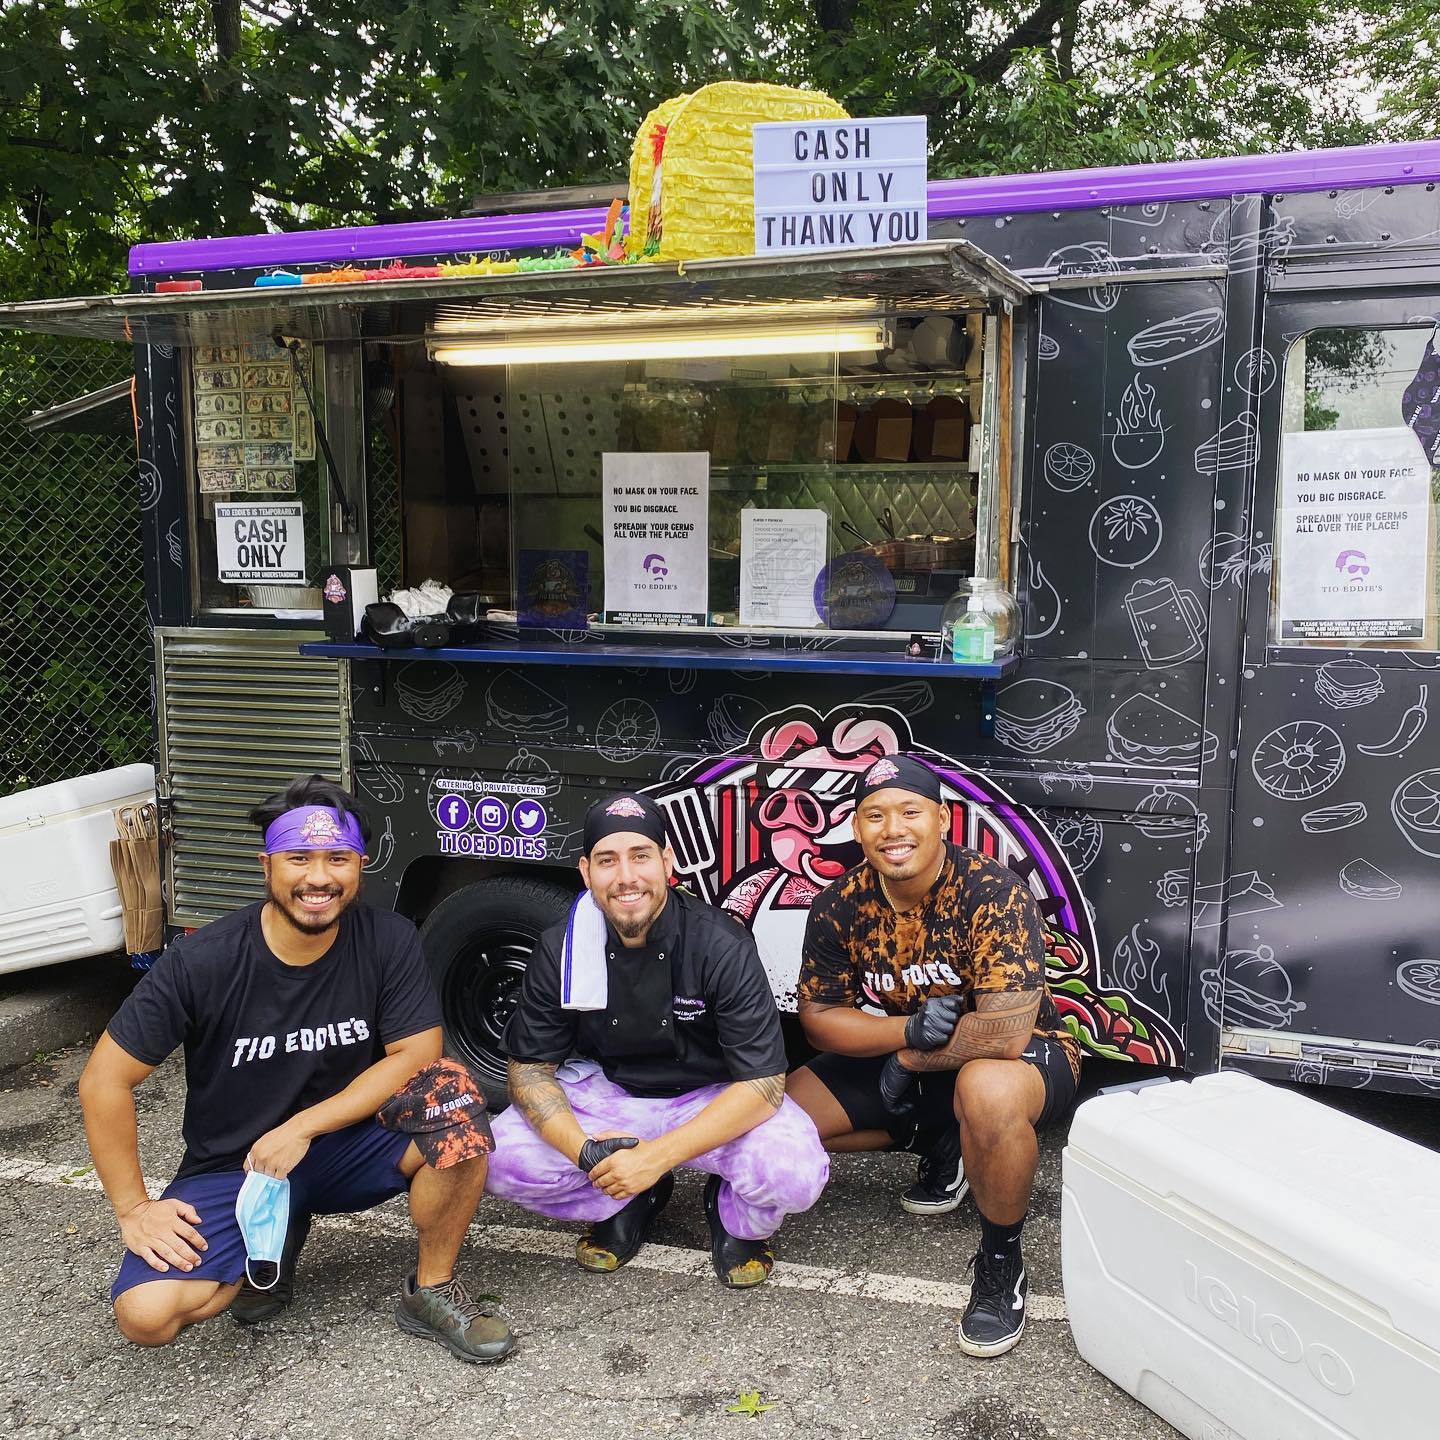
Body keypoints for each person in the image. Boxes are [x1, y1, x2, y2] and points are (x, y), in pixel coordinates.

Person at [78, 774, 514, 1363]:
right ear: (267, 866)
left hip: (348, 1148)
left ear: (359, 865)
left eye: (337, 857)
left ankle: (432, 1289)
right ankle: (267, 1248)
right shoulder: (201, 961)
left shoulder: (388, 940)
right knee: (146, 1316)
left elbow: (416, 1055)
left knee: (454, 1099)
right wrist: (134, 1208)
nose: (318, 877)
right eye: (298, 857)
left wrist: (303, 1127)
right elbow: (105, 1078)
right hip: (237, 1165)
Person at [785, 754, 1081, 1358]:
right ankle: (942, 1145)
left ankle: (1001, 1261)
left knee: (986, 1091)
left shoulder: (991, 892)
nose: (892, 829)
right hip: (917, 1041)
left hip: (1030, 1054)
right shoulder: (842, 901)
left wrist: (909, 1060)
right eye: (874, 816)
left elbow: (1004, 1034)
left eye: (909, 811)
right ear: (856, 829)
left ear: (942, 819)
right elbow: (818, 1019)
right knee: (781, 1119)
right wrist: (903, 1034)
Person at [483, 791, 828, 1287]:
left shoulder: (720, 943)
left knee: (794, 1173)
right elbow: (530, 1070)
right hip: (612, 1096)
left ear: (667, 862)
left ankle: (733, 1215)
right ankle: (626, 1196)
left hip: (712, 1099)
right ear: (585, 872)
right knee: (497, 1159)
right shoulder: (564, 944)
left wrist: (653, 1157)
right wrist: (586, 1153)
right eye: (607, 860)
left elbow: (765, 1085)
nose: (625, 876)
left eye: (640, 856)